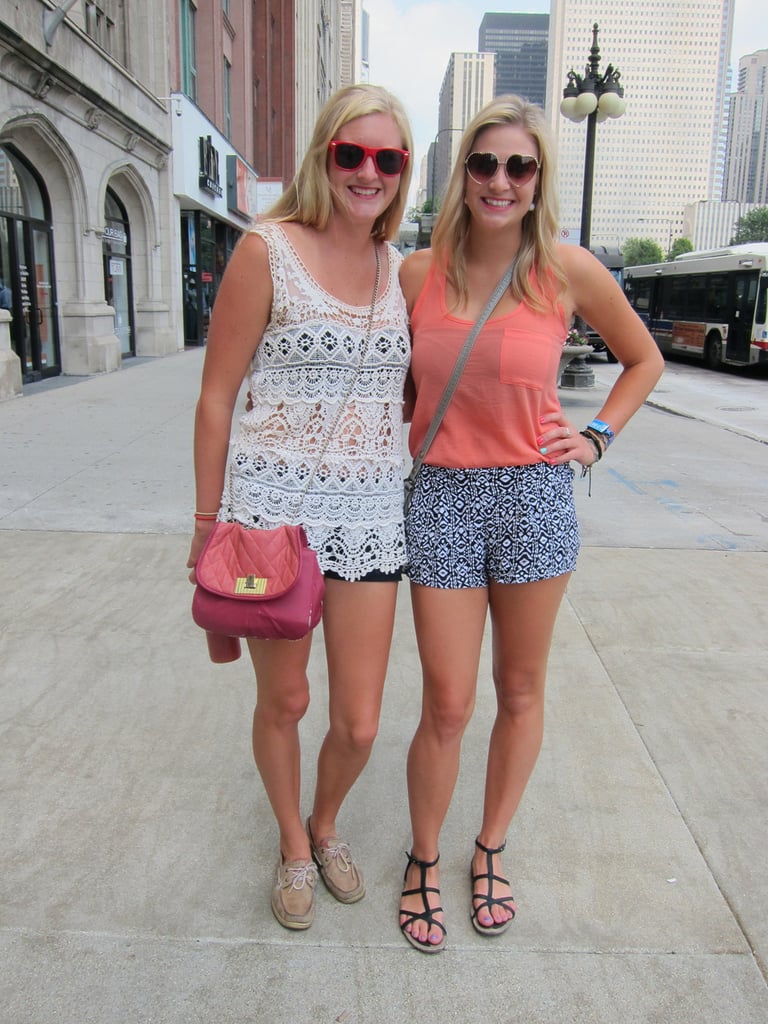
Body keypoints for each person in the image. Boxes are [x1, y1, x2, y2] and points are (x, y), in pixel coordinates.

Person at [397, 95, 664, 953]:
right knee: (447, 700)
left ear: (539, 178)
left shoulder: (567, 271)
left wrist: (593, 439)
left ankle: (490, 848)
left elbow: (642, 358)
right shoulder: (416, 271)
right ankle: (424, 859)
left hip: (535, 498)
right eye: (485, 164)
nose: (501, 181)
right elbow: (400, 390)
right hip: (440, 495)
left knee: (520, 690)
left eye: (520, 166)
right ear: (462, 174)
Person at [187, 84, 413, 931]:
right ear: (324, 155)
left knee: (358, 720)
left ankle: (328, 825)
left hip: (371, 516)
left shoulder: (403, 269)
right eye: (351, 153)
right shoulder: (266, 250)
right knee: (285, 703)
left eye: (387, 159)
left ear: (401, 171)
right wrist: (207, 524)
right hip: (272, 517)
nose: (368, 172)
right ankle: (292, 843)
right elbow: (216, 398)